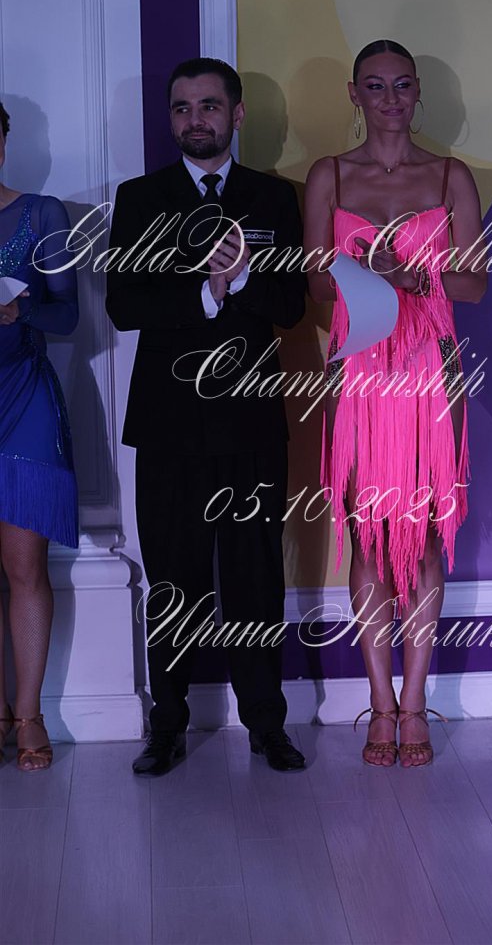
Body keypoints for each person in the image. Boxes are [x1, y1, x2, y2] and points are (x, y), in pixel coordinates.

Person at [106, 58, 306, 774]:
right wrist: (206, 293)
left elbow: (291, 307)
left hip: (251, 423)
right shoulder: (140, 199)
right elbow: (124, 305)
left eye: (209, 106)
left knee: (255, 576)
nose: (195, 119)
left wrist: (245, 276)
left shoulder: (274, 198)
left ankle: (266, 724)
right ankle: (167, 724)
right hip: (167, 424)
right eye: (182, 108)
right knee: (173, 579)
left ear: (237, 114)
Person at [304, 41, 486, 767]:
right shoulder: (329, 175)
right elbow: (314, 286)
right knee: (367, 536)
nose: (389, 98)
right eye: (375, 86)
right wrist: (360, 272)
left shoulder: (448, 175)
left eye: (402, 85)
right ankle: (379, 704)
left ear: (417, 95)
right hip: (358, 371)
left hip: (429, 370)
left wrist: (417, 276)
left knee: (427, 536)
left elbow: (474, 283)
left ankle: (414, 705)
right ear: (354, 94)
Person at [0, 99, 78, 771]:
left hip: (24, 395)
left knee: (25, 566)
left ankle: (29, 714)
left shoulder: (42, 213)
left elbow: (68, 315)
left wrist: (19, 309)